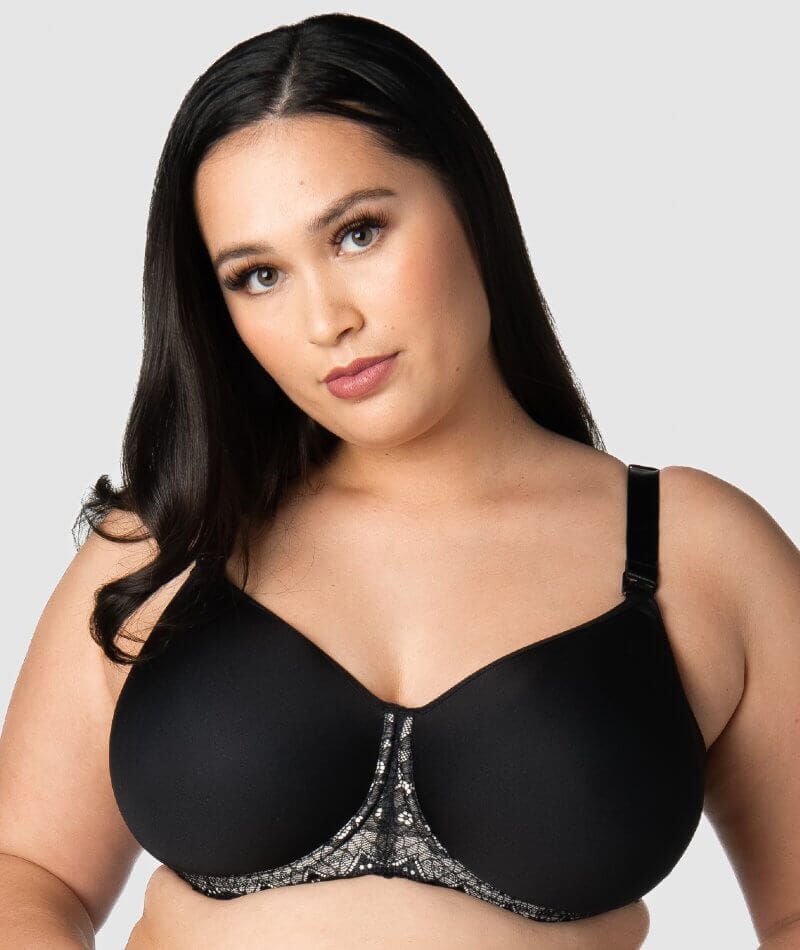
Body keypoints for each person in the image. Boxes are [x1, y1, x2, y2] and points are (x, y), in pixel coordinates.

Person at [1, 12, 798, 950]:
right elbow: (28, 871)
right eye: (258, 276)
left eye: (357, 233)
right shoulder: (170, 538)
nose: (326, 320)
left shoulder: (692, 551)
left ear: (469, 201)